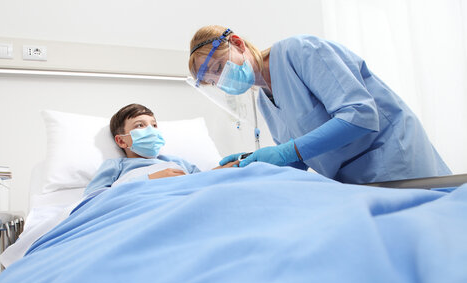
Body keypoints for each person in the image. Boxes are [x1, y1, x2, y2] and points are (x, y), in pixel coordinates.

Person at [188, 25, 452, 183]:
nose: (222, 80)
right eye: (214, 80)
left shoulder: (300, 51)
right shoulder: (265, 100)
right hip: (352, 184)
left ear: (237, 43)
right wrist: (254, 162)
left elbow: (360, 114)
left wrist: (285, 153)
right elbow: (301, 157)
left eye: (220, 67)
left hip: (395, 164)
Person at [84, 103, 201, 196]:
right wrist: (150, 179)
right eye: (140, 125)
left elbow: (205, 181)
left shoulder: (175, 161)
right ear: (121, 141)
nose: (151, 130)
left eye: (154, 125)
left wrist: (219, 170)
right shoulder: (117, 166)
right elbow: (92, 198)